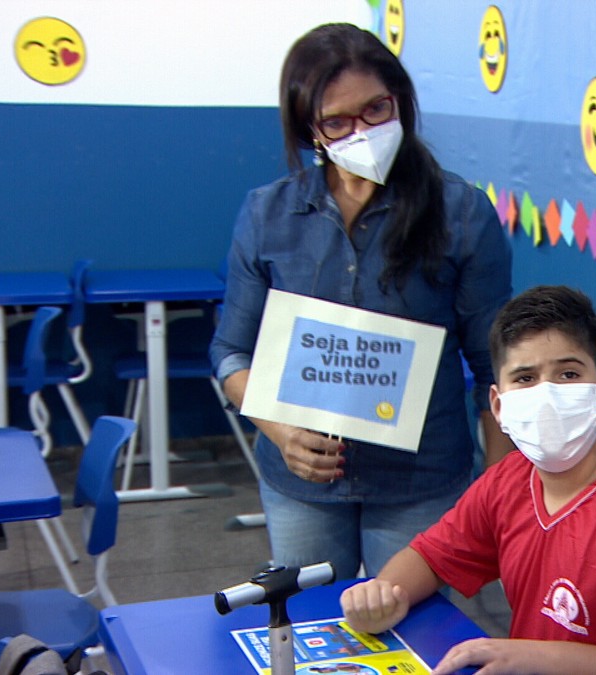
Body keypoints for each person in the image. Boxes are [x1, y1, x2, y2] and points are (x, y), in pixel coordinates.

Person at [209, 22, 513, 579]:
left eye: (377, 109)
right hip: (300, 483)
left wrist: (496, 492)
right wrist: (279, 429)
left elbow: (495, 366)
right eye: (337, 121)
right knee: (308, 635)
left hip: (422, 480)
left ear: (400, 103)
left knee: (415, 642)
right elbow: (230, 354)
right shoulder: (266, 216)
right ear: (311, 131)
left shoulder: (463, 214)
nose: (363, 130)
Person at [340, 286, 596, 674]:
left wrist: (544, 658)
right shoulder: (506, 483)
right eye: (525, 378)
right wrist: (385, 593)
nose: (546, 394)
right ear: (498, 406)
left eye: (567, 373)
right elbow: (431, 557)